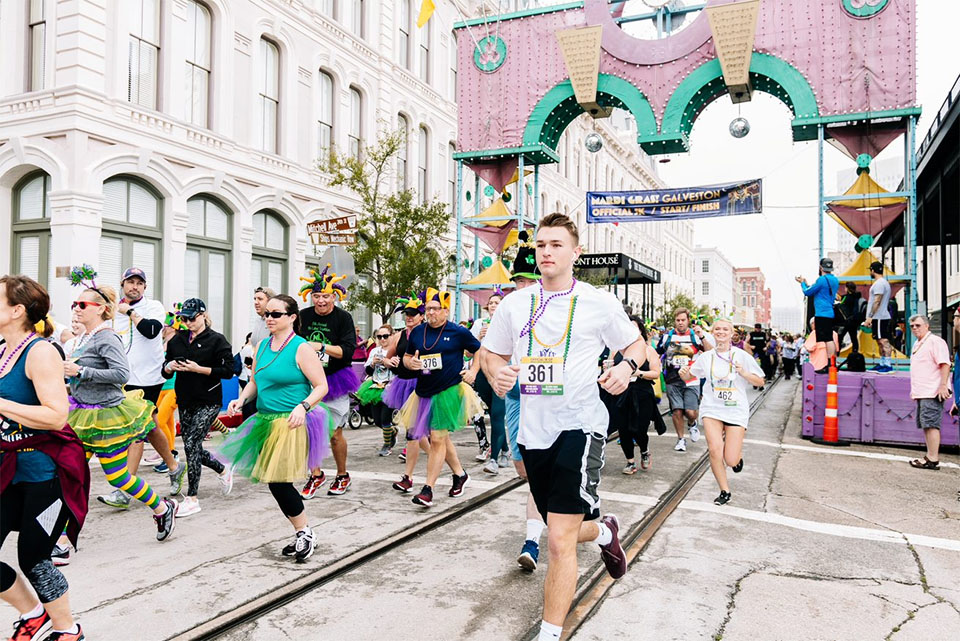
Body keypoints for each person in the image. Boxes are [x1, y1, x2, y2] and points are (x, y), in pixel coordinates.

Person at [482, 213, 645, 641]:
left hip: (581, 425)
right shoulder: (516, 304)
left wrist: (627, 367)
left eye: (556, 244)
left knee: (556, 541)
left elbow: (636, 345)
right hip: (533, 433)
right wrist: (498, 373)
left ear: (576, 253)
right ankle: (605, 529)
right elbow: (492, 354)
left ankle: (550, 633)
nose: (546, 252)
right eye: (540, 245)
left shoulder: (598, 302)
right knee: (564, 529)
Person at [1, 275, 89, 641]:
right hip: (9, 469)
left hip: (45, 473)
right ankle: (32, 614)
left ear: (17, 310)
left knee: (34, 558)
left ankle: (68, 629)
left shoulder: (40, 352)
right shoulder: (3, 349)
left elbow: (56, 415)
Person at [60, 267, 177, 540]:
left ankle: (162, 506)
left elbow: (121, 375)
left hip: (105, 418)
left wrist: (81, 372)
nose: (76, 309)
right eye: (74, 304)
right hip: (80, 415)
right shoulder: (84, 337)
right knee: (70, 474)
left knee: (118, 477)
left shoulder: (106, 337)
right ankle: (62, 538)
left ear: (101, 309)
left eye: (82, 304)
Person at [222, 295, 333, 563]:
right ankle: (302, 530)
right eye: (267, 314)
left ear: (292, 317)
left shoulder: (301, 348)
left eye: (276, 314)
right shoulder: (260, 347)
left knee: (279, 482)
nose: (269, 318)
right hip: (265, 421)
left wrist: (302, 406)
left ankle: (305, 532)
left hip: (292, 421)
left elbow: (322, 386)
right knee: (275, 483)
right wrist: (241, 399)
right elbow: (255, 382)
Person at [100, 267, 185, 509]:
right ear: (122, 284)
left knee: (136, 429)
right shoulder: (113, 310)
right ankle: (174, 466)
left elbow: (151, 332)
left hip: (148, 378)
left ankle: (124, 490)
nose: (134, 286)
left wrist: (131, 312)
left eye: (139, 283)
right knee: (149, 426)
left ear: (145, 287)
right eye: (130, 282)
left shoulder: (153, 307)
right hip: (123, 377)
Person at [398, 288, 481, 507]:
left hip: (449, 390)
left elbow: (479, 349)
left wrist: (473, 371)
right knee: (441, 438)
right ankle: (460, 474)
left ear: (446, 310)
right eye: (428, 309)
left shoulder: (457, 332)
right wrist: (411, 363)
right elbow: (406, 357)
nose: (431, 313)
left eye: (436, 309)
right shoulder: (418, 332)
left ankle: (428, 489)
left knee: (436, 437)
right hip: (424, 391)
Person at [161, 299, 234, 516]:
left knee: (191, 443)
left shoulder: (217, 340)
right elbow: (164, 370)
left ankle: (192, 498)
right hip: (185, 399)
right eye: (184, 319)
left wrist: (199, 369)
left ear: (203, 315)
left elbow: (229, 370)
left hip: (209, 400)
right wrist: (169, 366)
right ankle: (222, 469)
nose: (188, 322)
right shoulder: (177, 340)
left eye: (192, 318)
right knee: (192, 447)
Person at [681, 319, 765, 505]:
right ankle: (724, 490)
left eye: (725, 329)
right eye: (717, 329)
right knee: (714, 450)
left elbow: (760, 381)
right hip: (712, 408)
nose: (721, 332)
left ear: (731, 333)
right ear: (713, 332)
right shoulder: (705, 357)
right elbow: (689, 376)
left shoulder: (741, 355)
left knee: (730, 458)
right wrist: (684, 372)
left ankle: (736, 460)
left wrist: (744, 373)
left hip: (735, 410)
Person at [297, 265, 359, 498]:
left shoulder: (343, 318)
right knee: (307, 430)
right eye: (316, 296)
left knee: (334, 433)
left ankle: (342, 475)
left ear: (334, 296)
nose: (321, 301)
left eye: (325, 296)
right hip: (307, 380)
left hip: (335, 379)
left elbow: (348, 351)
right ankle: (316, 474)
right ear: (310, 296)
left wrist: (320, 347)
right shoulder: (303, 316)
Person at [386, 293, 431, 491]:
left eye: (413, 314)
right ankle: (443, 463)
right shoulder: (399, 335)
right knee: (415, 432)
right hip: (402, 385)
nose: (409, 317)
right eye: (407, 314)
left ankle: (409, 477)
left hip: (420, 385)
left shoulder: (427, 334)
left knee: (415, 432)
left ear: (422, 316)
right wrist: (390, 361)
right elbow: (386, 358)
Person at [657, 308, 712, 452]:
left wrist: (702, 337)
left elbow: (710, 352)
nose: (680, 323)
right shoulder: (667, 337)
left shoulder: (695, 336)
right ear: (675, 321)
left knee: (690, 412)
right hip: (672, 379)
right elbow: (657, 353)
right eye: (678, 320)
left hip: (691, 379)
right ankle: (681, 439)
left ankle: (692, 423)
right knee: (677, 411)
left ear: (688, 321)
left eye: (683, 320)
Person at [612, 318, 662, 475]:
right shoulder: (617, 350)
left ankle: (645, 450)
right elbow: (609, 366)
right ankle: (630, 462)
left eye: (634, 329)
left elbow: (656, 373)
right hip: (622, 394)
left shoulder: (648, 350)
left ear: (640, 331)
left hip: (642, 394)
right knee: (624, 429)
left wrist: (639, 373)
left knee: (640, 429)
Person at [469, 290, 509, 474]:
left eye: (497, 302)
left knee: (498, 413)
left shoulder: (508, 322)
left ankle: (494, 459)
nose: (493, 305)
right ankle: (506, 450)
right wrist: (479, 338)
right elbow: (468, 352)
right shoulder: (479, 324)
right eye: (491, 303)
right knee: (493, 414)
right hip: (482, 374)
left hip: (500, 372)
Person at [907, 315, 951, 471]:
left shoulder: (935, 342)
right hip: (923, 390)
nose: (914, 328)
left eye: (918, 325)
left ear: (927, 326)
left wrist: (943, 385)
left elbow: (945, 364)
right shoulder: (918, 344)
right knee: (926, 424)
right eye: (912, 326)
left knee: (931, 424)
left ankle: (933, 458)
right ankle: (930, 455)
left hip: (932, 390)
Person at [357, 324, 395, 456]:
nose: (382, 339)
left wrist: (388, 362)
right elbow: (368, 371)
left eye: (385, 336)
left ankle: (387, 445)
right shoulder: (374, 351)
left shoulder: (396, 350)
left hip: (391, 387)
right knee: (377, 419)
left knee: (385, 418)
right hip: (375, 386)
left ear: (392, 336)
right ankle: (392, 432)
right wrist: (373, 363)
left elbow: (399, 369)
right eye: (379, 336)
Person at [242, 287, 278, 420]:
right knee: (248, 416)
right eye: (254, 299)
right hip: (254, 375)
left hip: (270, 379)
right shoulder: (258, 321)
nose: (256, 302)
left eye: (260, 299)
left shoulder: (274, 323)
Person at [797, 258, 840, 365]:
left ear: (821, 268)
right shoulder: (835, 280)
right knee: (828, 337)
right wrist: (807, 284)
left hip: (822, 313)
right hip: (829, 312)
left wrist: (802, 283)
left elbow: (807, 292)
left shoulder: (821, 280)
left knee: (827, 339)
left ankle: (831, 363)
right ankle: (831, 362)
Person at [863, 261, 894, 372]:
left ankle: (888, 364)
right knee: (879, 341)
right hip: (878, 317)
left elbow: (877, 301)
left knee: (883, 340)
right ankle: (882, 363)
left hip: (880, 316)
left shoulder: (880, 283)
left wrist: (870, 316)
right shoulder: (882, 282)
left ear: (872, 270)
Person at [836, 282, 862, 352]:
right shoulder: (857, 297)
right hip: (854, 321)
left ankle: (837, 352)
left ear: (847, 288)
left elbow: (840, 304)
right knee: (854, 338)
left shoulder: (846, 297)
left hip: (846, 321)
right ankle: (855, 352)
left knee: (840, 337)